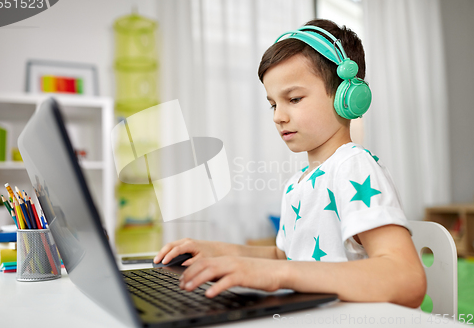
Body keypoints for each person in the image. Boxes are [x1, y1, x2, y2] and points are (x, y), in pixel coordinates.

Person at [153, 19, 426, 308]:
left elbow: (407, 278)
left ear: (348, 97)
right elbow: (285, 258)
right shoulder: (297, 184)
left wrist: (280, 275)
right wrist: (213, 251)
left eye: (293, 99)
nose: (277, 116)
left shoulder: (353, 166)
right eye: (273, 104)